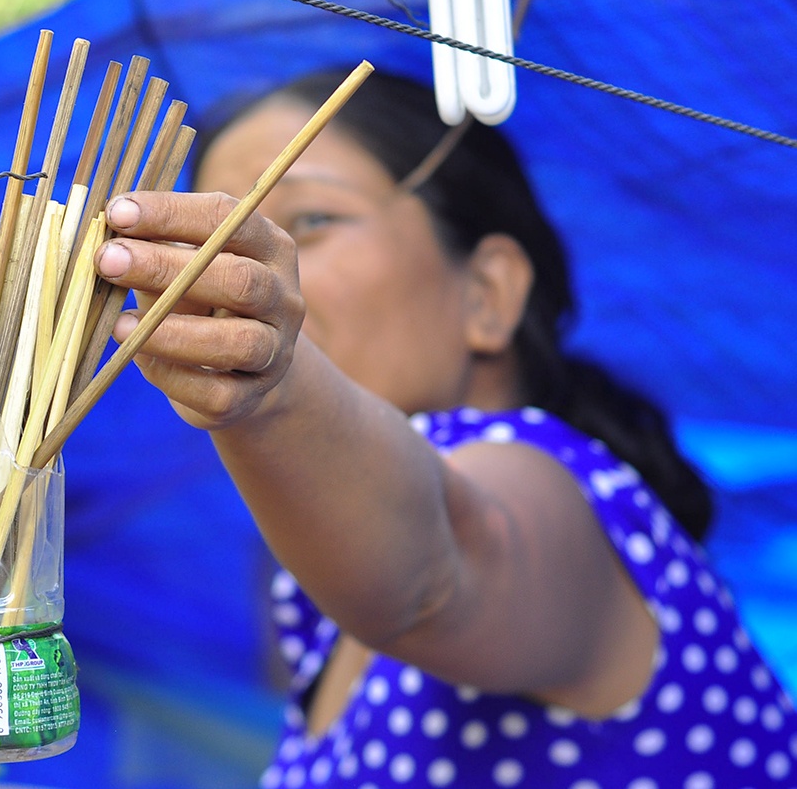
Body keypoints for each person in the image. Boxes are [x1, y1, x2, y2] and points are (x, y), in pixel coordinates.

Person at [90, 70, 797, 787]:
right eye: (221, 250)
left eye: (309, 222)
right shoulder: (321, 609)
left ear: (488, 292)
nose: (245, 277)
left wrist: (269, 387)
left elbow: (436, 571)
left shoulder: (552, 488)